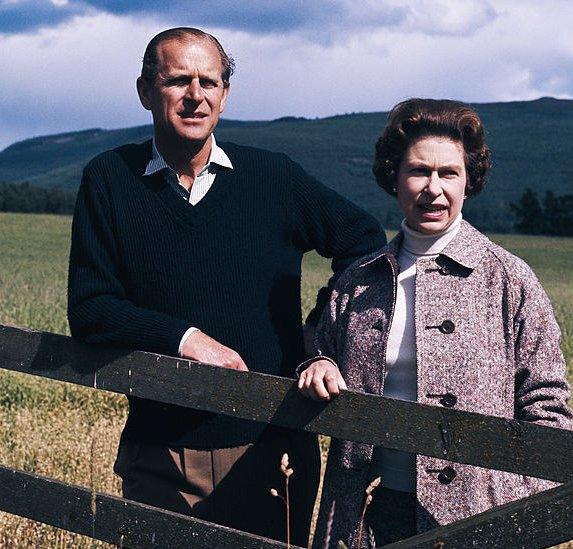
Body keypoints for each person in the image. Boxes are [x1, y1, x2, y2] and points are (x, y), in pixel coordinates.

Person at [67, 27, 385, 545]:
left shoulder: (272, 178)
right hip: (161, 448)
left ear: (225, 94)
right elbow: (89, 308)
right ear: (146, 91)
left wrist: (318, 337)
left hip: (271, 447)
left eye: (209, 82)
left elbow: (365, 242)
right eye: (177, 81)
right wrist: (186, 338)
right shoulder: (110, 178)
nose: (196, 95)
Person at [298, 98, 573, 547]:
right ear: (394, 177)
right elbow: (319, 356)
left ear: (469, 181)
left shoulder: (508, 279)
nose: (433, 188)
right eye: (418, 171)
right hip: (364, 515)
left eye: (449, 173)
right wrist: (320, 363)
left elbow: (549, 412)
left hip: (476, 522)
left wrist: (511, 517)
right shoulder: (357, 281)